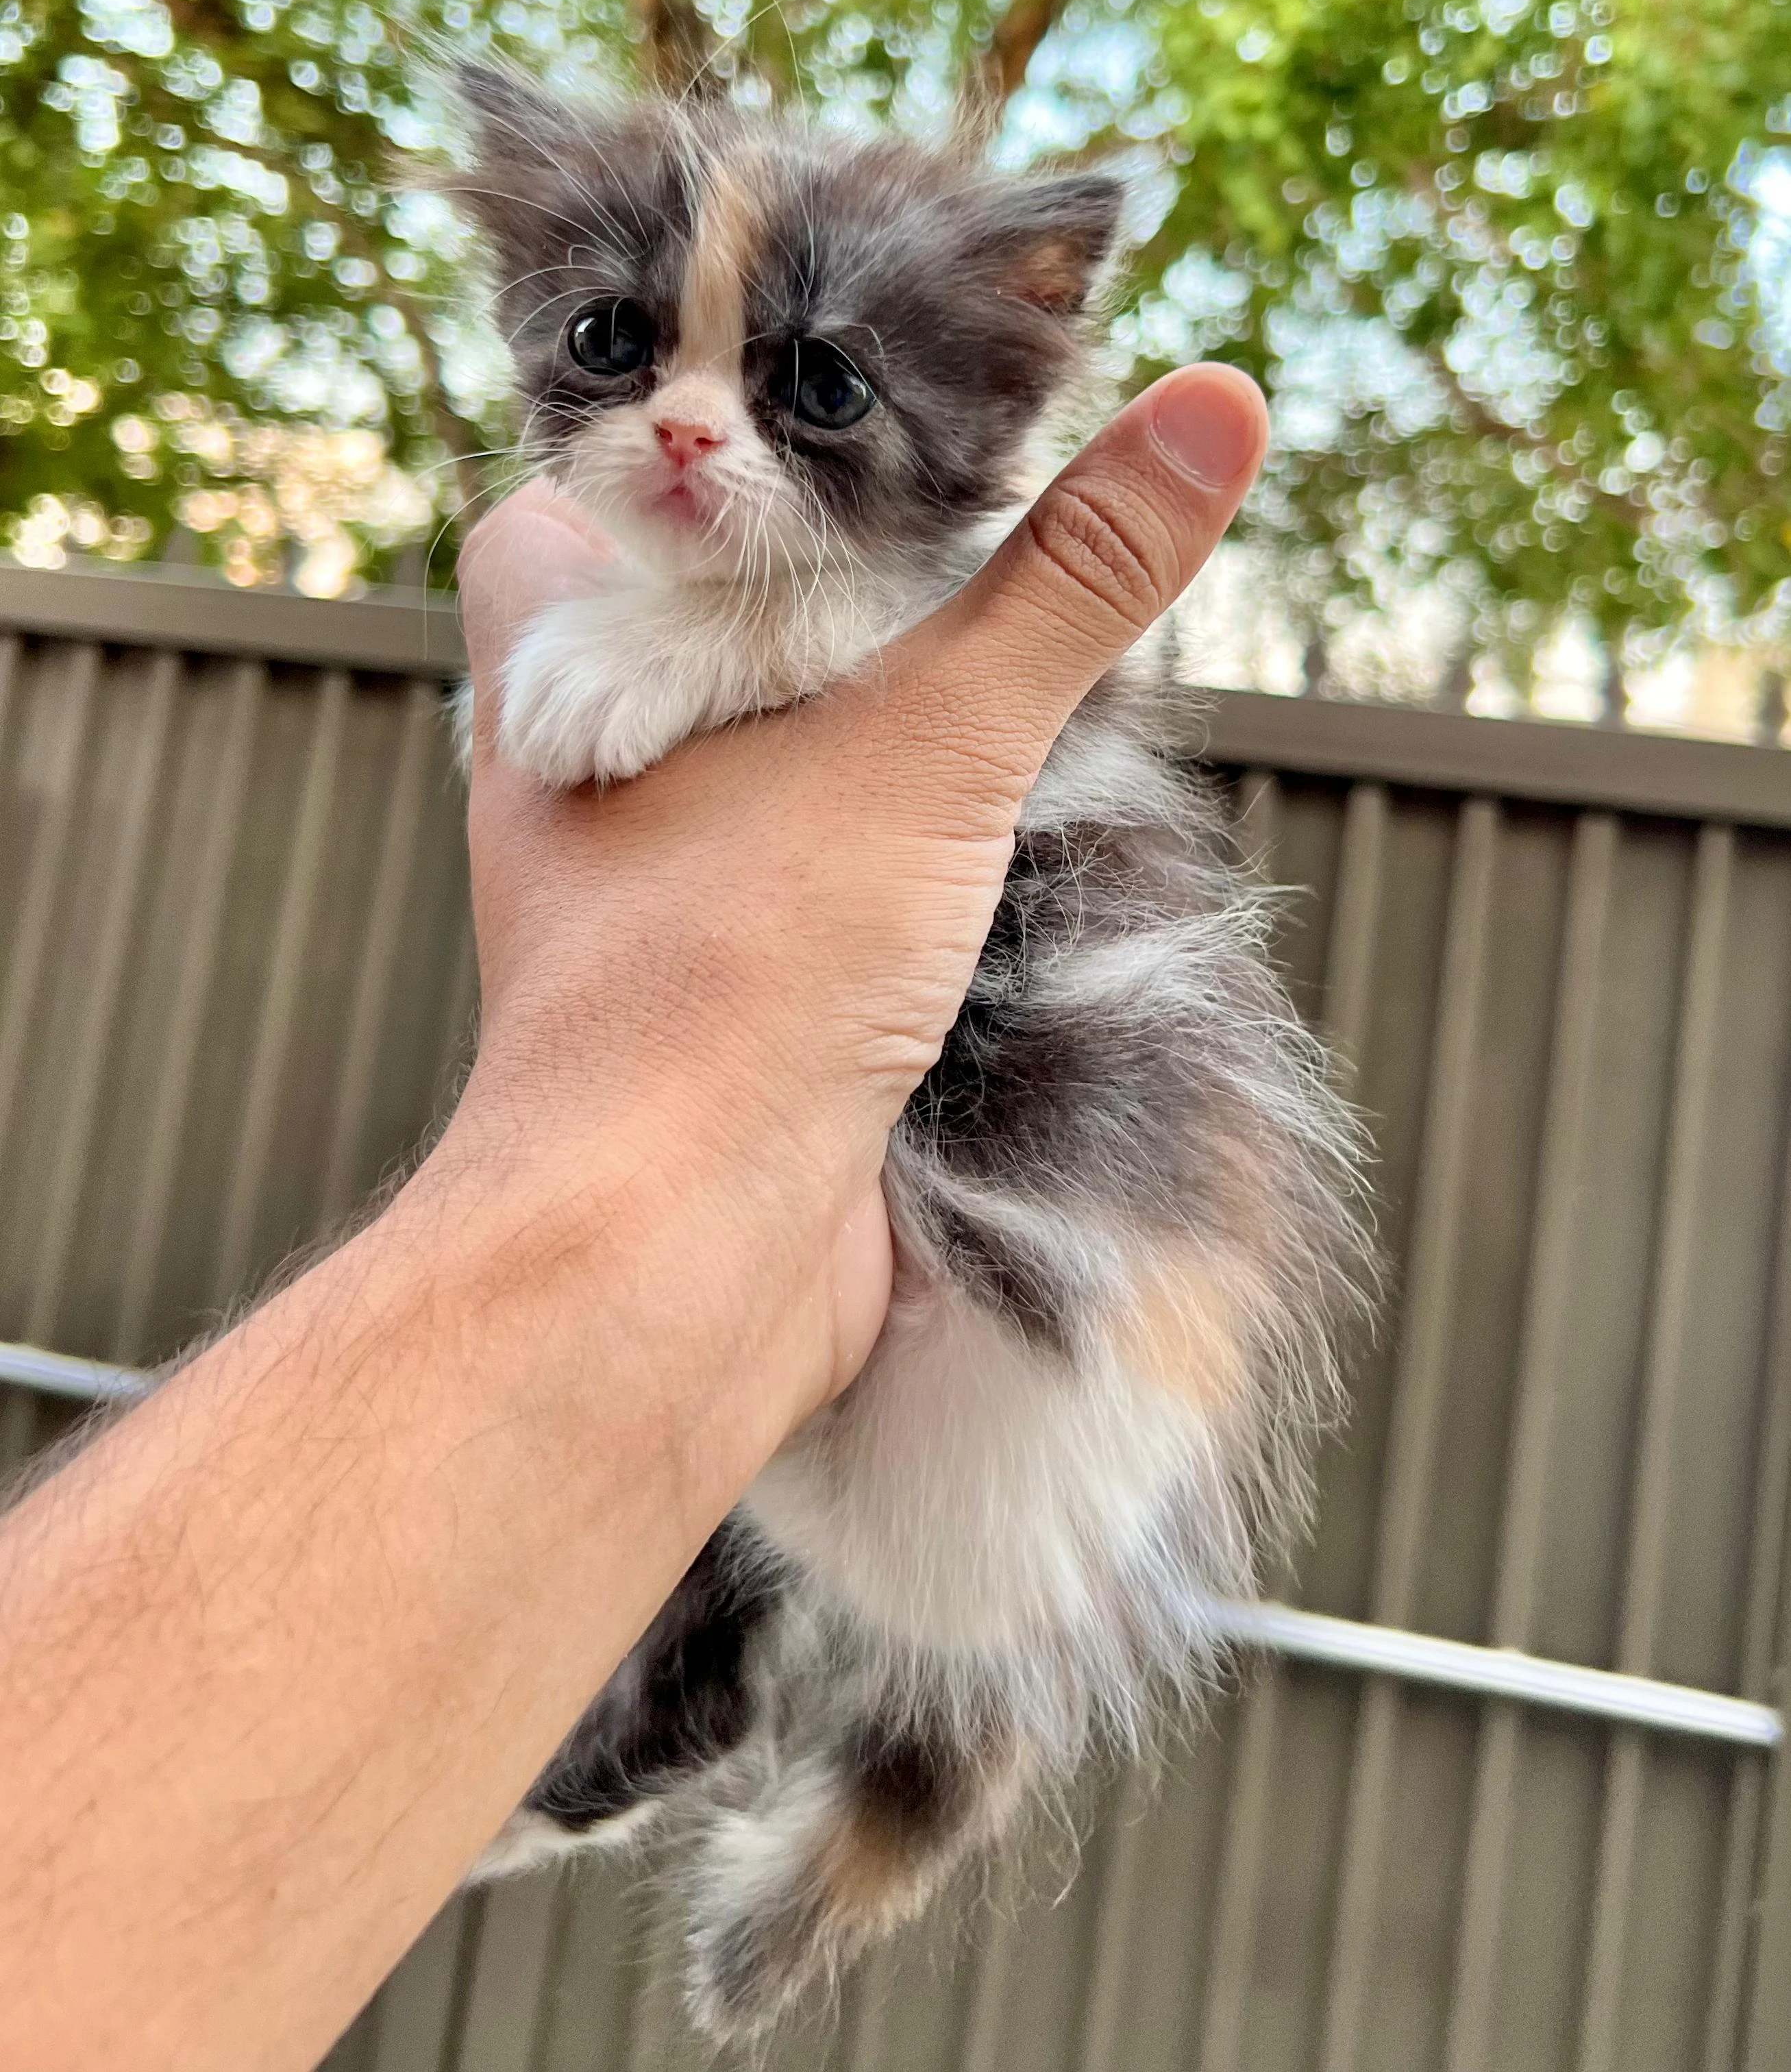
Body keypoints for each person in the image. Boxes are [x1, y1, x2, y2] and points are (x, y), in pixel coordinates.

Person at [0, 362, 1267, 2072]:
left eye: (810, 383)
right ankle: (700, 1703)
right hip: (954, 1371)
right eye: (613, 344)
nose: (687, 411)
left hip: (1015, 1340)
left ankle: (722, 1709)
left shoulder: (885, 601)